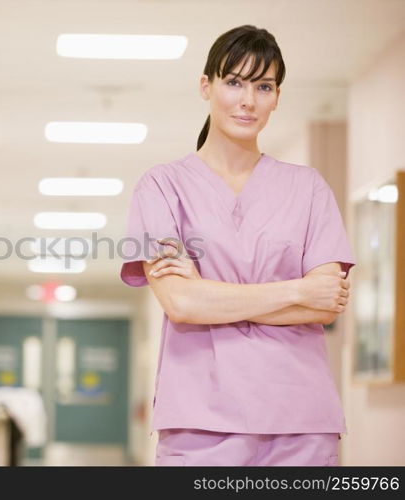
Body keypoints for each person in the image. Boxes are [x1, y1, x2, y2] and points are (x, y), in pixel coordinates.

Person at [120, 25, 355, 466]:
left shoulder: (308, 188)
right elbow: (183, 303)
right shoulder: (160, 187)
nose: (248, 100)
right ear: (206, 86)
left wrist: (216, 295)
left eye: (263, 86)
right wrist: (296, 289)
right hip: (199, 422)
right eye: (234, 82)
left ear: (277, 96)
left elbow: (326, 305)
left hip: (301, 420)